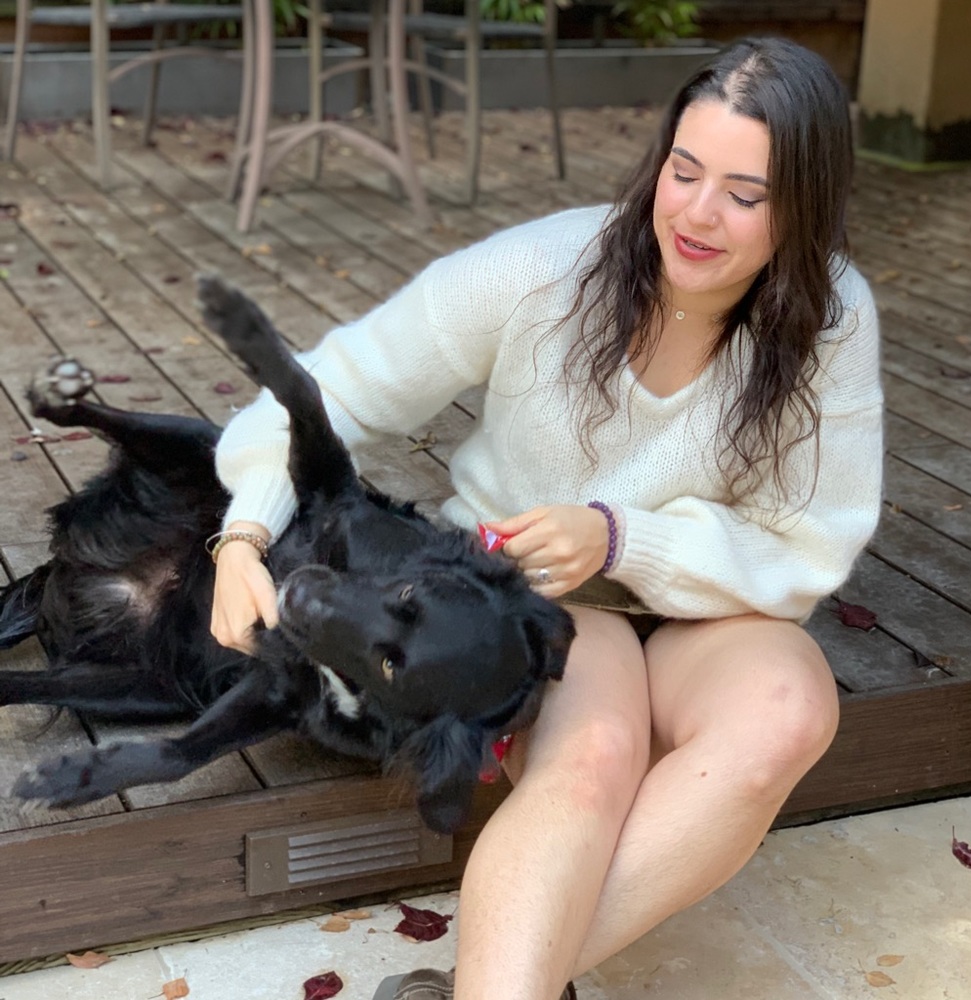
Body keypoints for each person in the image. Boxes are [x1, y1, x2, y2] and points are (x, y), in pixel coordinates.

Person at [210, 35, 883, 1000]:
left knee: (787, 714)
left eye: (745, 193)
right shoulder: (546, 268)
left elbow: (810, 544)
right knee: (595, 751)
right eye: (683, 172)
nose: (696, 212)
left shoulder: (833, 319)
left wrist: (621, 536)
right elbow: (328, 390)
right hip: (535, 600)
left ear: (806, 205)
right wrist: (247, 534)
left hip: (709, 602)